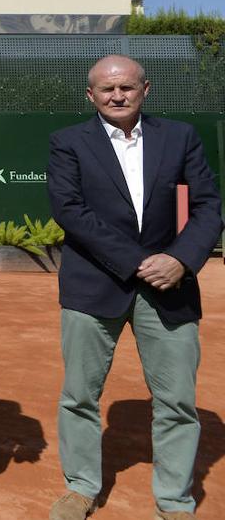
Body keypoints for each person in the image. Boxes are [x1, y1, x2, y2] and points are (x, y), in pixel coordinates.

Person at [46, 55, 223, 520]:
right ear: (90, 95)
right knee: (80, 395)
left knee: (177, 401)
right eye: (106, 89)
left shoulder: (180, 136)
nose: (117, 95)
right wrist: (143, 261)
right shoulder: (68, 143)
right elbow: (69, 210)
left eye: (126, 87)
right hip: (93, 286)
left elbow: (207, 207)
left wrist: (181, 261)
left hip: (171, 286)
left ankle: (174, 500)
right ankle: (82, 488)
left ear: (146, 89)